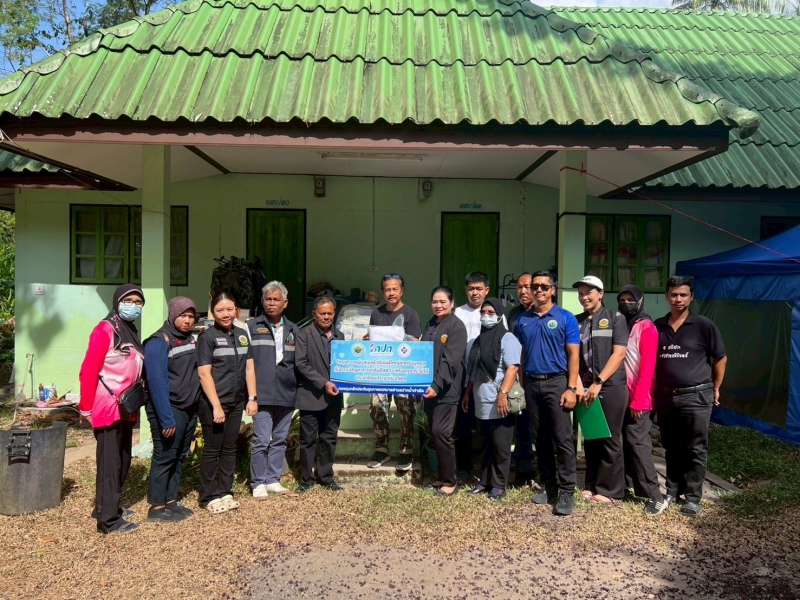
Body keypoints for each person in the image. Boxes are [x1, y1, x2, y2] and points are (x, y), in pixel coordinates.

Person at [654, 276, 727, 517]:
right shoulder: (658, 326)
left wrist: (716, 387)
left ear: (691, 297)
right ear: (666, 296)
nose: (678, 299)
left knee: (695, 447)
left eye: (683, 295)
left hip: (696, 397)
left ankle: (693, 497)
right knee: (671, 447)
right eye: (674, 294)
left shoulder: (703, 325)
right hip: (666, 397)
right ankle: (672, 491)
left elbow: (720, 357)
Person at [78, 284, 146, 534]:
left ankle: (105, 507)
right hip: (107, 407)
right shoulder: (105, 329)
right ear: (117, 302)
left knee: (122, 459)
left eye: (138, 302)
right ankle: (108, 521)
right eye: (129, 300)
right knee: (110, 463)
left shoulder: (128, 330)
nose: (134, 306)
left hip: (126, 407)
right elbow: (89, 370)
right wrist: (85, 408)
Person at [515, 271, 580, 516]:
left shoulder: (565, 318)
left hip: (557, 382)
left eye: (544, 286)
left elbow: (574, 355)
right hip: (532, 384)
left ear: (553, 289)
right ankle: (548, 483)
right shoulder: (523, 320)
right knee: (540, 438)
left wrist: (571, 388)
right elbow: (520, 355)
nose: (539, 290)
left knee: (562, 439)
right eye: (535, 286)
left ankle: (566, 489)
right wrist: (522, 386)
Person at [143, 296, 201, 523]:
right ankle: (156, 507)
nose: (187, 320)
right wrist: (166, 419)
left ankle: (170, 500)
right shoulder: (159, 341)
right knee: (165, 455)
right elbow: (156, 383)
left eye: (191, 316)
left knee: (179, 456)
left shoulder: (189, 339)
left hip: (188, 408)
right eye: (183, 316)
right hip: (168, 409)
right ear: (173, 315)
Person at [573, 276, 629, 505]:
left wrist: (598, 382)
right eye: (581, 293)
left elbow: (619, 353)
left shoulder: (616, 318)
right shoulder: (576, 321)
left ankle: (610, 490)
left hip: (611, 386)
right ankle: (592, 484)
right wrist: (577, 383)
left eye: (589, 292)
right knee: (592, 436)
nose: (584, 297)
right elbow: (572, 356)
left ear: (601, 293)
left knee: (609, 438)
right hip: (584, 387)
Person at [462, 298, 522, 500]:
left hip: (499, 401)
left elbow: (512, 368)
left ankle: (499, 484)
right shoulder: (479, 340)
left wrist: (502, 395)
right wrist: (467, 393)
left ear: (499, 315)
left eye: (491, 312)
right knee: (485, 443)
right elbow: (474, 370)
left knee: (501, 445)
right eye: (483, 312)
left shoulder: (508, 338)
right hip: (481, 400)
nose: (486, 316)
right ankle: (485, 481)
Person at [245, 281, 300, 499]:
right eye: (268, 299)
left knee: (279, 439)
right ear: (262, 301)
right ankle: (258, 482)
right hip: (262, 394)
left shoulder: (294, 330)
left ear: (285, 303)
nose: (272, 303)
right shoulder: (251, 327)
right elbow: (246, 363)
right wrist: (251, 396)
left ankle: (273, 479)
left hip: (287, 393)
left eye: (276, 299)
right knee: (261, 440)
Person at [197, 292, 249, 514]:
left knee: (229, 447)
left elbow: (249, 367)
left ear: (236, 310)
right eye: (220, 310)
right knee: (212, 448)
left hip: (236, 401)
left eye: (230, 309)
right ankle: (208, 496)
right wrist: (216, 406)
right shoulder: (207, 337)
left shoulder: (242, 335)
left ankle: (225, 491)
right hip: (214, 403)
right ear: (213, 313)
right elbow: (204, 374)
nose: (226, 314)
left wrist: (251, 398)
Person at [617, 285, 666, 516]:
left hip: (640, 397)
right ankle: (628, 484)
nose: (626, 303)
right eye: (622, 299)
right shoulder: (623, 325)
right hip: (622, 396)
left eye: (631, 300)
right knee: (625, 442)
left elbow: (647, 367)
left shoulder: (646, 327)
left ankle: (655, 496)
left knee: (638, 444)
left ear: (640, 301)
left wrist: (639, 400)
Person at [365, 274, 421, 471]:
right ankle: (381, 449)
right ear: (383, 292)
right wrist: (367, 339)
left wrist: (399, 339)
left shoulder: (411, 314)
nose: (391, 293)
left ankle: (406, 450)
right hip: (380, 371)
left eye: (395, 289)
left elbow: (415, 344)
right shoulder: (376, 314)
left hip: (403, 373)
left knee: (406, 409)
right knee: (376, 407)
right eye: (387, 289)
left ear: (402, 291)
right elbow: (371, 340)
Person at [454, 272, 506, 478]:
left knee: (487, 425)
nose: (475, 293)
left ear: (487, 290)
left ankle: (489, 470)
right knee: (464, 425)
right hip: (463, 377)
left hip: (489, 379)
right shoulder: (458, 313)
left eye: (479, 289)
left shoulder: (495, 313)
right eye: (471, 289)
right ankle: (465, 467)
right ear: (466, 290)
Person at [422, 286, 468, 497]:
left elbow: (451, 361)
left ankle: (451, 481)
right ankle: (441, 476)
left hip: (446, 390)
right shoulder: (432, 323)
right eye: (435, 302)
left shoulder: (456, 326)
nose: (438, 305)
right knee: (435, 433)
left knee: (442, 433)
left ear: (452, 303)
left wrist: (437, 385)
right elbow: (423, 353)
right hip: (428, 388)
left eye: (443, 302)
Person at [295, 296, 345, 493]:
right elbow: (301, 364)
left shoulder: (340, 336)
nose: (326, 317)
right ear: (314, 314)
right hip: (311, 396)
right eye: (322, 313)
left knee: (329, 438)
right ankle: (306, 480)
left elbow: (346, 364)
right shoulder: (303, 334)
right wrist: (324, 383)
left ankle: (326, 477)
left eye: (330, 313)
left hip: (334, 397)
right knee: (307, 440)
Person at [507, 272, 537, 485]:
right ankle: (523, 469)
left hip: (538, 376)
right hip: (517, 377)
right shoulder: (513, 315)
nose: (523, 291)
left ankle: (543, 471)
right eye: (519, 287)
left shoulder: (543, 313)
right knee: (521, 423)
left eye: (527, 286)